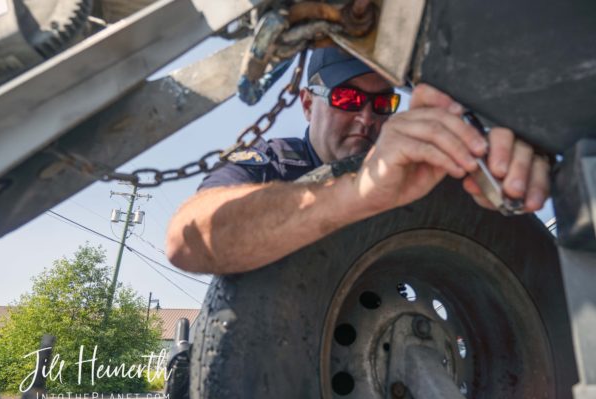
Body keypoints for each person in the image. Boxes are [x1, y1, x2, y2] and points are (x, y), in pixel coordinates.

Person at [166, 47, 551, 275]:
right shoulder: (269, 164)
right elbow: (185, 242)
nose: (366, 118)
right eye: (346, 100)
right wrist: (360, 192)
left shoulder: (417, 180)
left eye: (383, 103)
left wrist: (498, 182)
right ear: (306, 104)